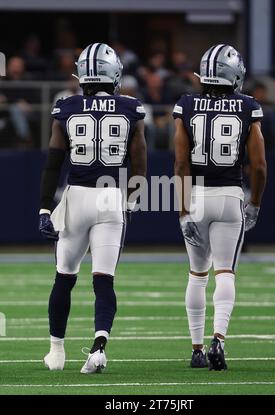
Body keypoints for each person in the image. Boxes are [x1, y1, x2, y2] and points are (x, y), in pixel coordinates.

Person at [39, 43, 147, 373]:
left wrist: (45, 208)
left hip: (77, 198)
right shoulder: (131, 107)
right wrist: (132, 198)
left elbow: (53, 163)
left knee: (64, 277)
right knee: (104, 280)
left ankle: (57, 351)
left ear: (82, 74)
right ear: (115, 74)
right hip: (110, 197)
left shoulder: (67, 106)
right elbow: (140, 161)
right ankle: (99, 347)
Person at [173, 44, 267, 370]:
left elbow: (181, 163)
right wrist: (254, 202)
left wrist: (183, 210)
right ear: (235, 75)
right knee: (225, 270)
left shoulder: (186, 104)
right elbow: (259, 166)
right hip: (229, 196)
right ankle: (219, 340)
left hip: (197, 197)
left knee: (197, 275)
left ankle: (197, 350)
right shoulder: (247, 107)